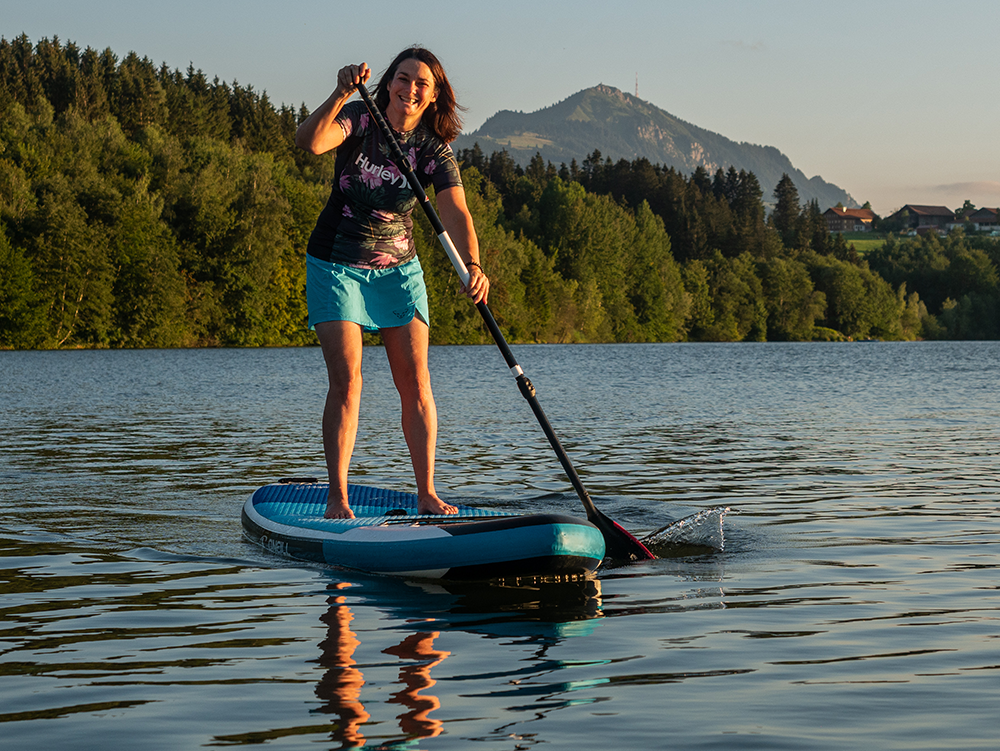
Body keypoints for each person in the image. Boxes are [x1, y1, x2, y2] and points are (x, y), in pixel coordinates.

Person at [295, 48, 489, 519]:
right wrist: (341, 93)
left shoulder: (433, 150)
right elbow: (310, 142)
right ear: (389, 83)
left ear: (434, 94)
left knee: (416, 383)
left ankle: (426, 492)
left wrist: (473, 266)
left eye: (422, 83)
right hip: (337, 262)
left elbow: (455, 211)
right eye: (403, 78)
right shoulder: (360, 119)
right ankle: (337, 498)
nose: (410, 88)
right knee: (348, 382)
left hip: (399, 270)